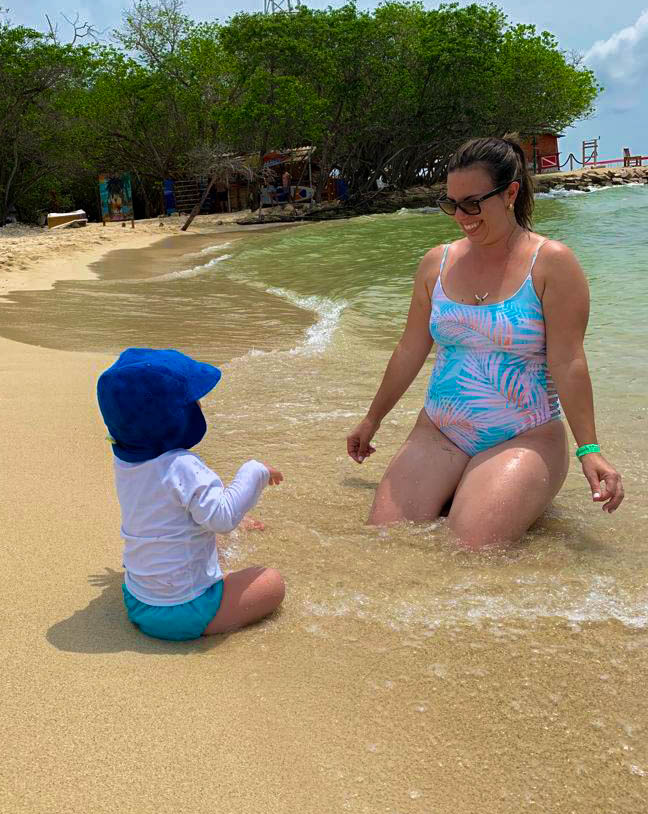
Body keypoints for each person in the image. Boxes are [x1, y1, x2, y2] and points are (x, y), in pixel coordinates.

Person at [346, 136, 624, 550]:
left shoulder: (551, 263)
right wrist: (372, 419)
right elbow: (410, 349)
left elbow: (568, 362)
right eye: (451, 204)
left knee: (473, 551)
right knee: (386, 541)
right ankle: (463, 485)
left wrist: (590, 449)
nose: (461, 216)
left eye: (472, 203)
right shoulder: (435, 263)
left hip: (524, 436)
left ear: (510, 192)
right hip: (441, 429)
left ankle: (492, 488)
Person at [97, 348, 285, 641]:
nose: (198, 404)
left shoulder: (127, 461)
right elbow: (222, 519)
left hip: (137, 600)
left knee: (200, 523)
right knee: (272, 582)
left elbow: (161, 508)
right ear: (175, 418)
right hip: (184, 610)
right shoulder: (182, 466)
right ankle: (208, 602)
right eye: (193, 402)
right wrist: (255, 470)